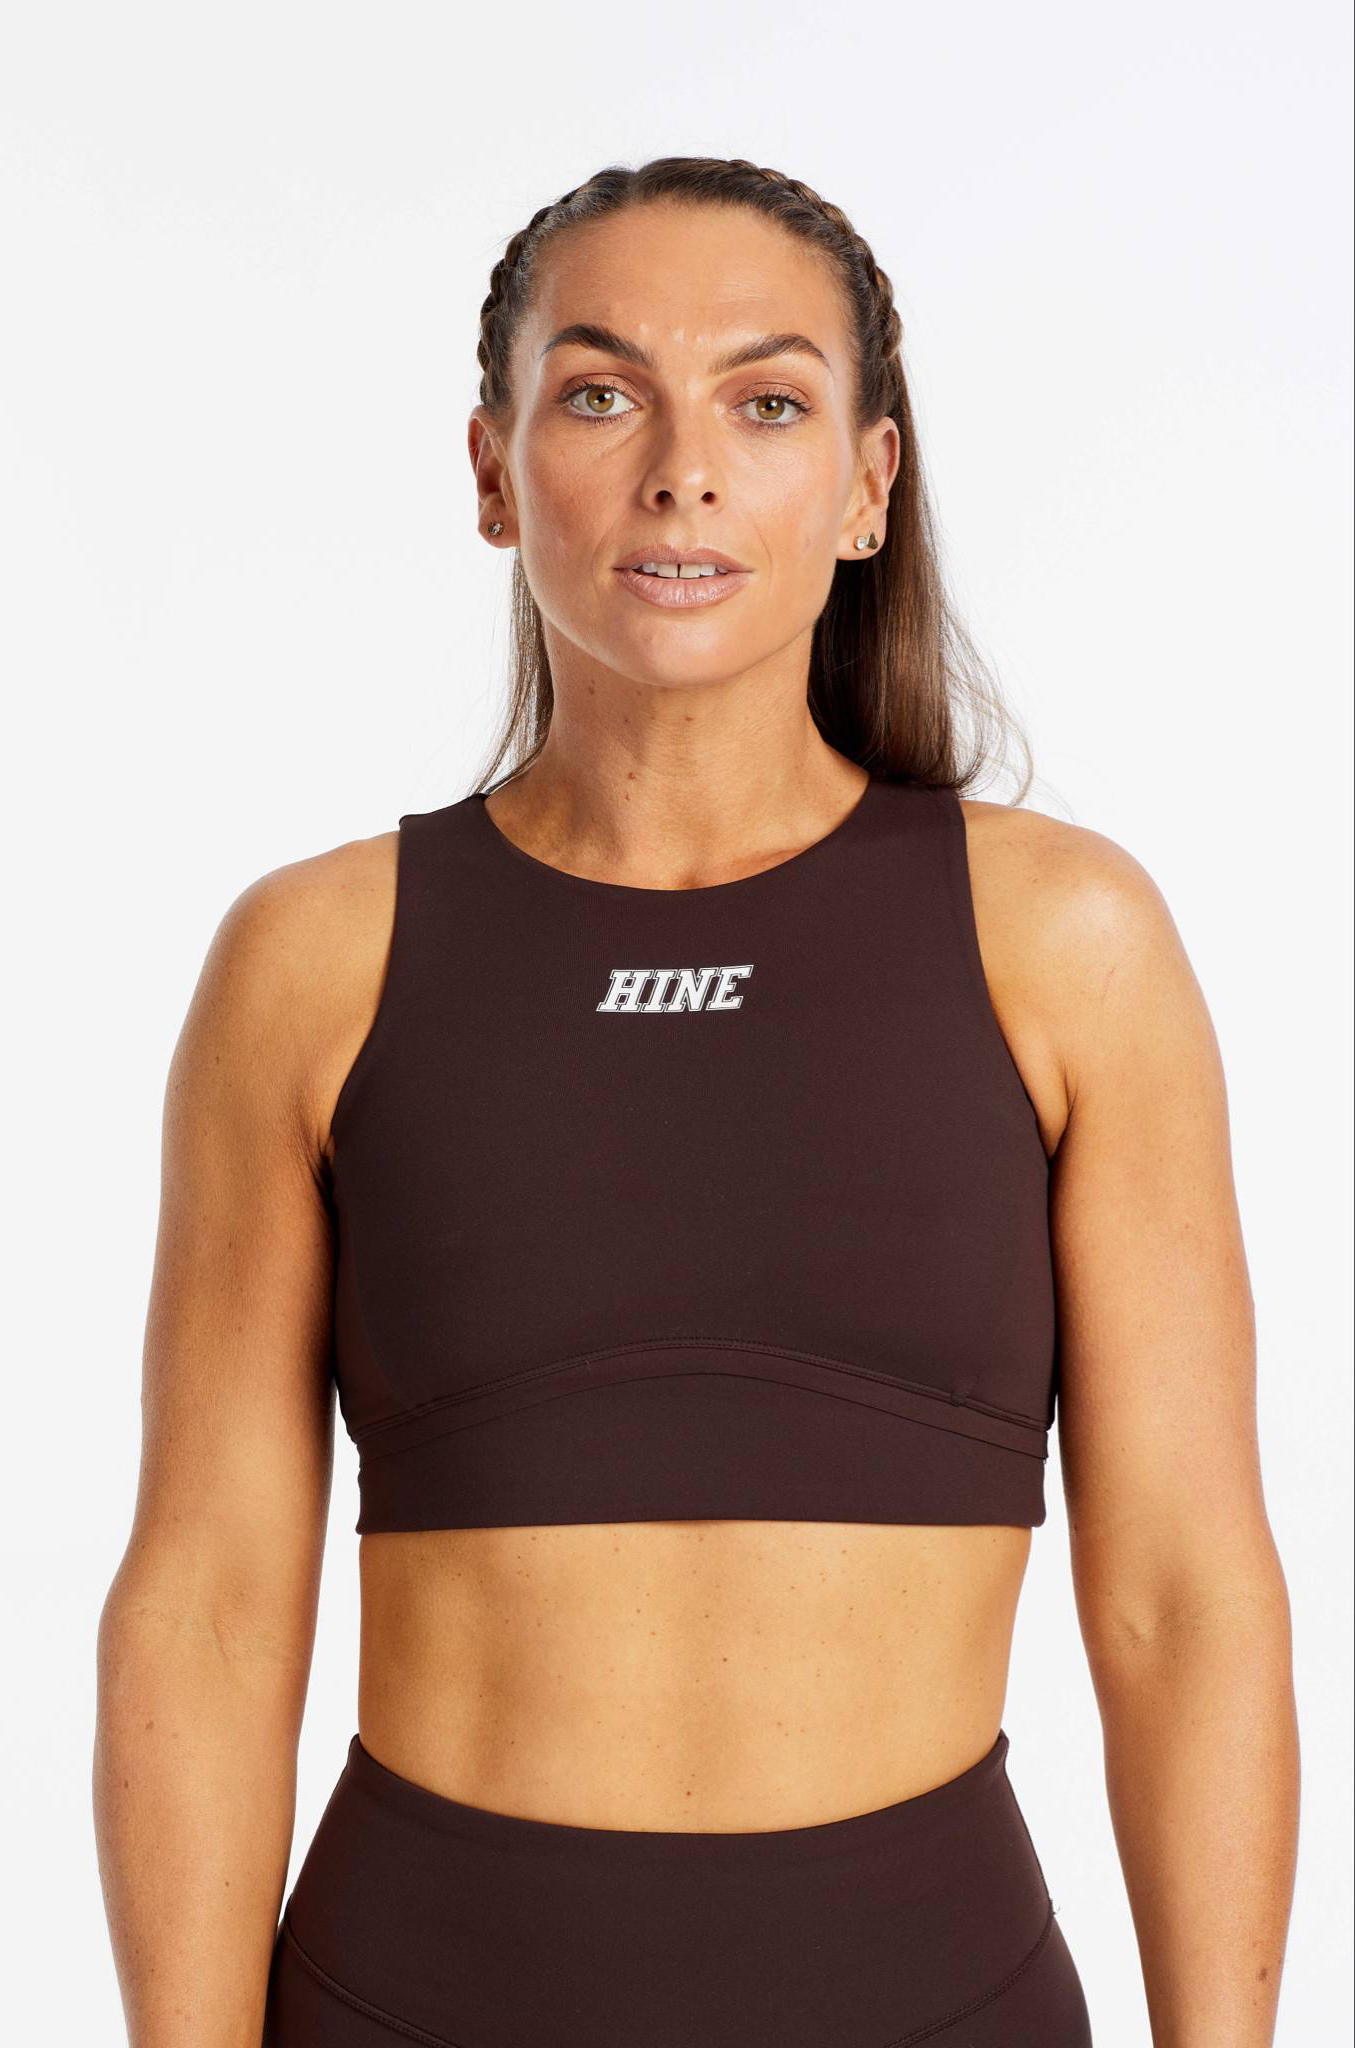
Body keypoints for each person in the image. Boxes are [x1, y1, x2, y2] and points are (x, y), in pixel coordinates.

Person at [94, 155, 1299, 2047]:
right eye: (599, 395)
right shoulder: (313, 960)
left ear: (869, 486)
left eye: (766, 403)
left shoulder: (1062, 939)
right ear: (493, 473)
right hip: (408, 2001)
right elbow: (211, 1602)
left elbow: (1180, 1595)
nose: (683, 471)